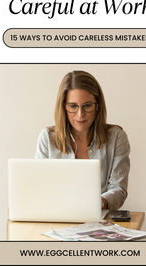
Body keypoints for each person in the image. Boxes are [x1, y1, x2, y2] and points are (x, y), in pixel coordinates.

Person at [35, 70, 130, 211]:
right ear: (63, 107)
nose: (80, 114)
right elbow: (39, 187)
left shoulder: (116, 137)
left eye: (87, 106)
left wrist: (97, 203)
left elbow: (118, 189)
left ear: (97, 106)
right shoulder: (47, 138)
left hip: (99, 219)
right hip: (56, 216)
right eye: (73, 106)